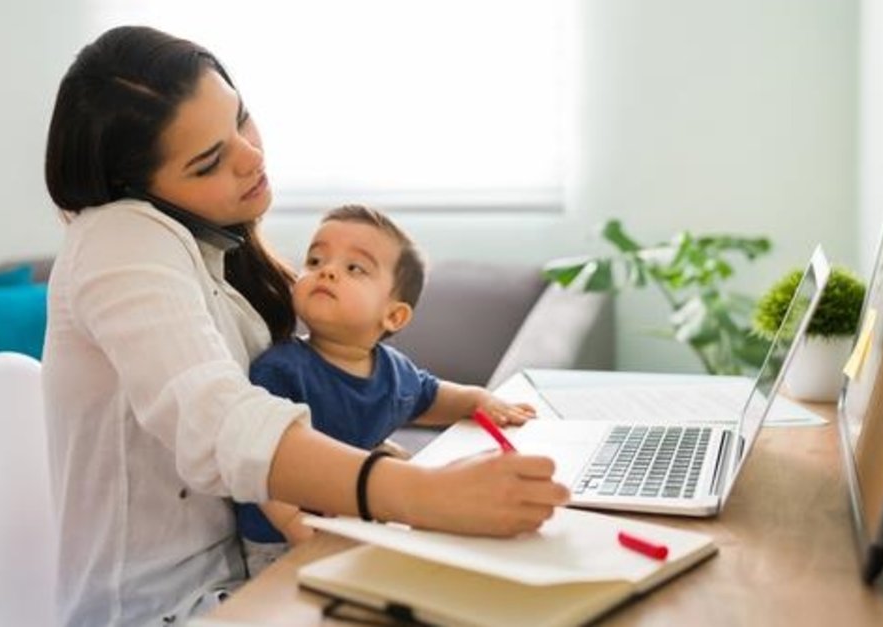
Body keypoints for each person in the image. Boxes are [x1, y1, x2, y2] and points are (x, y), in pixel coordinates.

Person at [42, 25, 569, 625]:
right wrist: (423, 494)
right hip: (164, 609)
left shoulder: (216, 254)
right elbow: (217, 421)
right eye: (211, 161)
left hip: (256, 575)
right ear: (136, 190)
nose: (252, 156)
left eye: (240, 119)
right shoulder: (119, 237)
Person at [236, 204, 537, 575]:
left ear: (393, 315)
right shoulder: (280, 369)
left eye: (354, 268)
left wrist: (479, 400)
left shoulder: (393, 371)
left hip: (360, 517)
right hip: (280, 538)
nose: (326, 271)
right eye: (315, 260)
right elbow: (263, 459)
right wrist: (292, 524)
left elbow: (432, 397)